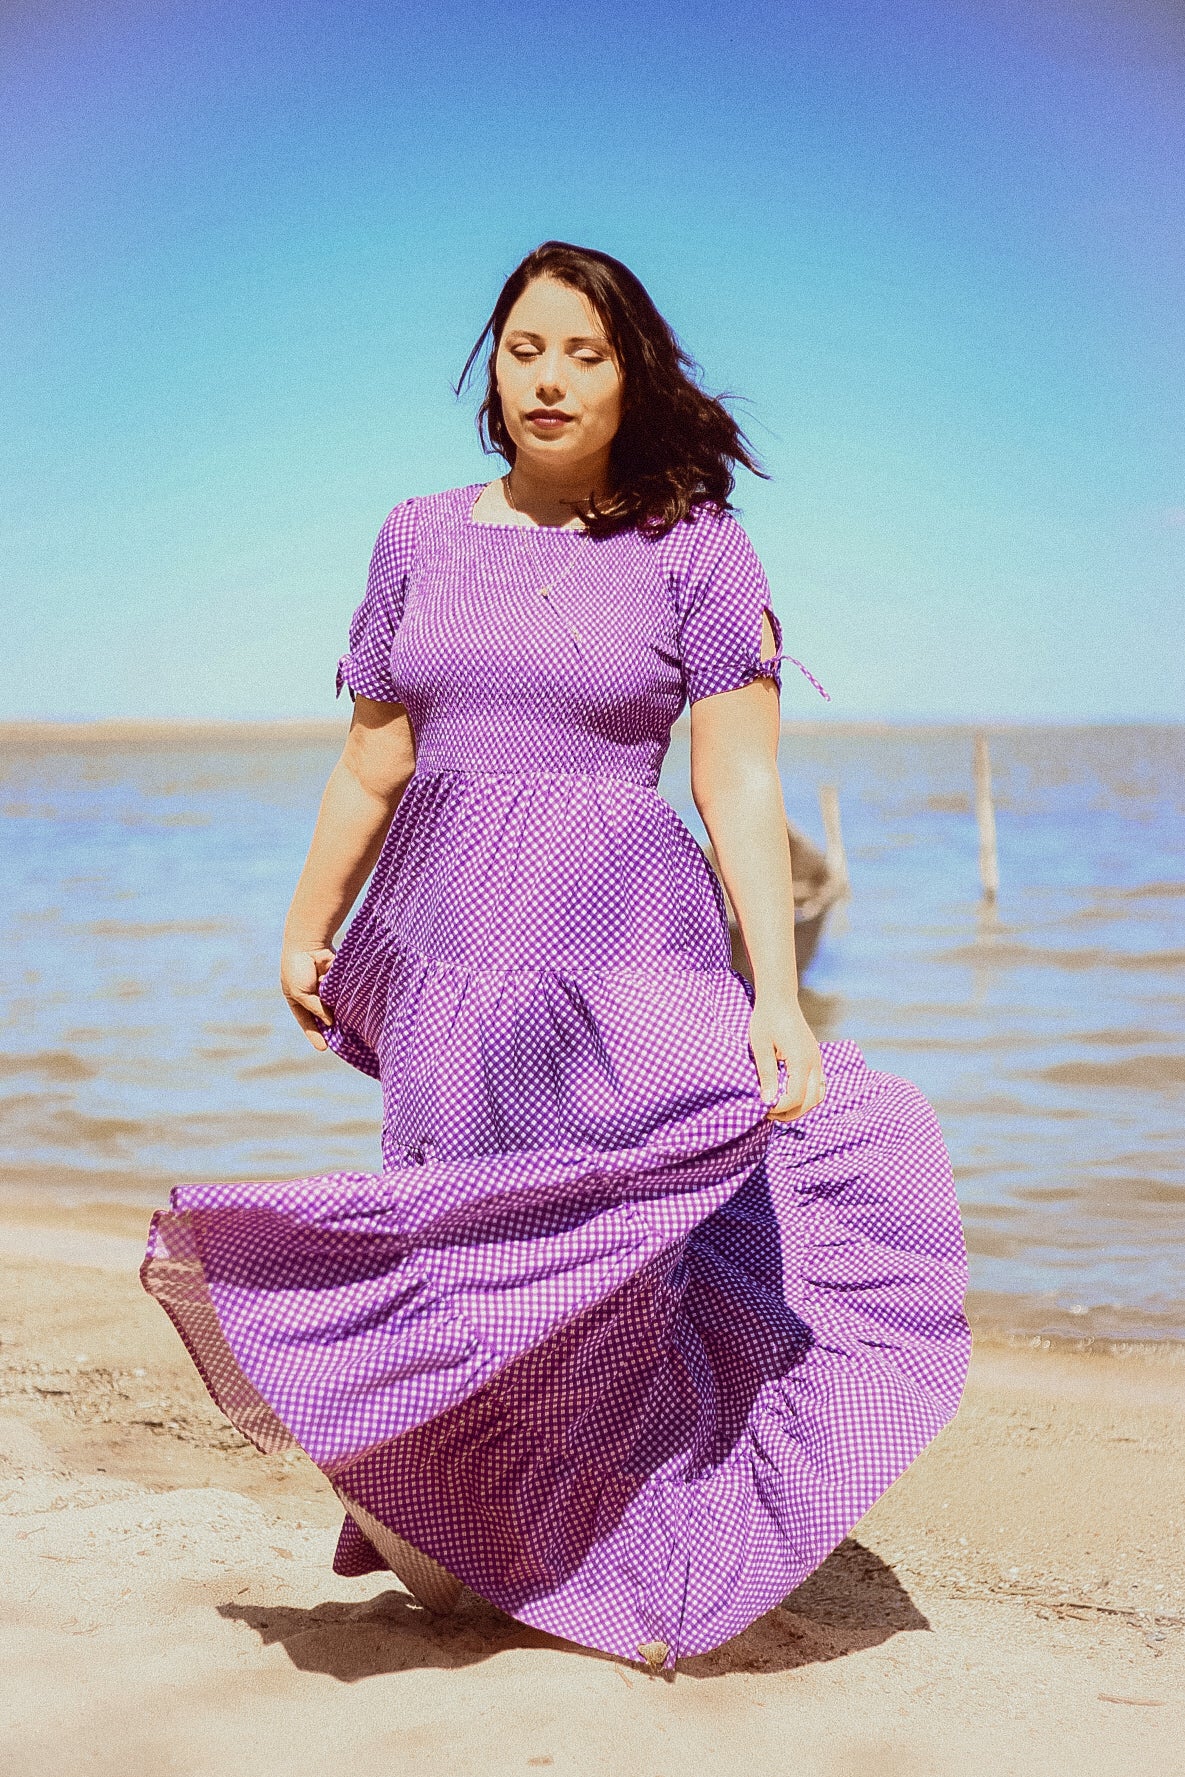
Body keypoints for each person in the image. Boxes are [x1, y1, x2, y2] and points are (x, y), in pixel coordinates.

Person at [142, 241, 970, 1672]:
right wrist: (304, 920)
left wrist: (774, 993)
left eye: (584, 353)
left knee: (631, 1241)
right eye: (526, 348)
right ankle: (476, 1533)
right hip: (449, 959)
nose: (549, 377)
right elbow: (372, 755)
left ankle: (638, 1540)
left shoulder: (697, 547)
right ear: (492, 368)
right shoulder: (414, 535)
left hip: (624, 957)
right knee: (460, 1245)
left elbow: (740, 789)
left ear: (629, 373)